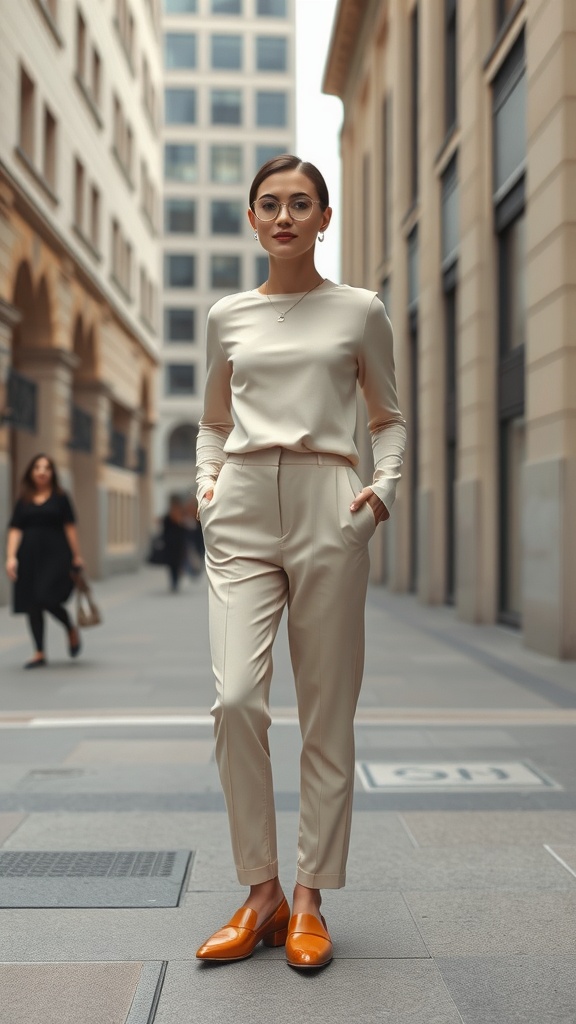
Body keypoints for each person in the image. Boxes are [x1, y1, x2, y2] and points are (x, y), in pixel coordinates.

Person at [194, 155, 406, 969]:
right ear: (251, 219)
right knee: (237, 701)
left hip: (329, 501)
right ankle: (261, 891)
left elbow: (386, 417)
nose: (284, 216)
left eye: (300, 204)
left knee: (326, 710)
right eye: (269, 204)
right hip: (242, 503)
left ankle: (311, 896)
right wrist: (209, 489)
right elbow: (213, 420)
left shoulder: (360, 311)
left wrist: (380, 491)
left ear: (324, 217)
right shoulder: (227, 316)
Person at [5, 453, 83, 669]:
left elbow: (70, 527)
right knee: (32, 603)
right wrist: (11, 557)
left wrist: (77, 555)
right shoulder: (24, 499)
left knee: (46, 597)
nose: (41, 471)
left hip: (57, 555)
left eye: (46, 468)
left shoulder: (61, 497)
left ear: (52, 473)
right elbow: (15, 529)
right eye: (37, 467)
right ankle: (39, 652)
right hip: (29, 556)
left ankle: (69, 627)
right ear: (31, 472)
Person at [161, 494, 187, 592]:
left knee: (175, 565)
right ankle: (174, 582)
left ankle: (175, 582)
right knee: (173, 565)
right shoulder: (170, 517)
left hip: (175, 545)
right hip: (173, 545)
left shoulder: (179, 516)